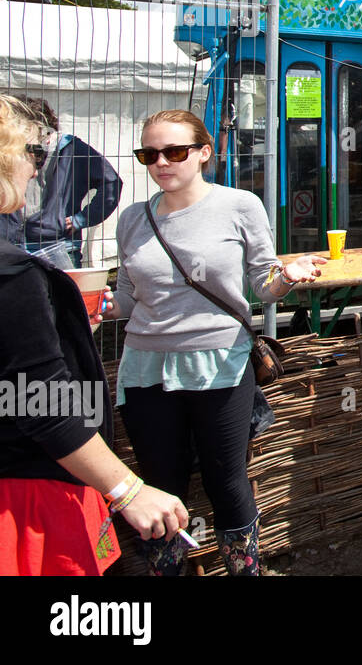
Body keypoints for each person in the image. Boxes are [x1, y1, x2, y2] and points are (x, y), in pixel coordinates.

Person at [104, 109, 325, 575]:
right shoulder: (132, 219)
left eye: (175, 151)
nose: (161, 162)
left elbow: (262, 285)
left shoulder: (239, 205)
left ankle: (244, 571)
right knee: (161, 483)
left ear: (204, 153)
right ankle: (167, 571)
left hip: (221, 363)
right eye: (150, 154)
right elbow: (127, 297)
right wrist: (96, 304)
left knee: (227, 482)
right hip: (145, 368)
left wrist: (286, 277)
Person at [1, 94, 188, 575]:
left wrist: (56, 328)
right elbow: (37, 399)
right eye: (32, 155)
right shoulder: (13, 273)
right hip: (26, 494)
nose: (36, 169)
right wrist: (127, 489)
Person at [0, 97, 121, 268]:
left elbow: (111, 183)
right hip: (11, 242)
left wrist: (82, 219)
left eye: (43, 136)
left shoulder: (73, 149)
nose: (34, 172)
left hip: (58, 246)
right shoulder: (11, 150)